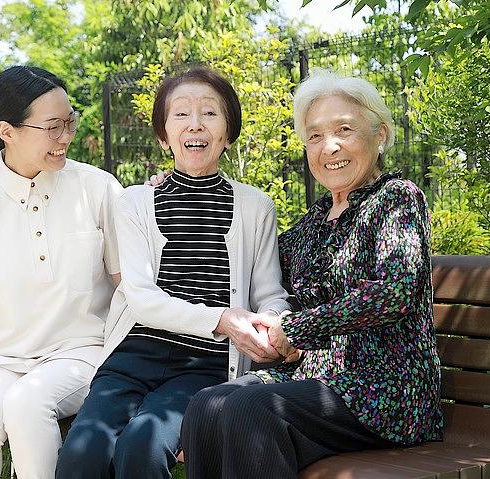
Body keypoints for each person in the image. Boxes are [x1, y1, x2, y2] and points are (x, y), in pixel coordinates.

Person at [180, 68, 444, 479]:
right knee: (207, 405)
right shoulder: (317, 220)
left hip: (385, 391)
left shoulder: (396, 198)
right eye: (316, 136)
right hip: (318, 380)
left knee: (250, 411)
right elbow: (247, 262)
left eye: (344, 129)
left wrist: (297, 329)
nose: (330, 146)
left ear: (380, 135)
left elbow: (397, 291)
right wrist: (176, 187)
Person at [55, 66, 290, 479]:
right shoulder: (134, 204)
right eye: (180, 114)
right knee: (81, 455)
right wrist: (222, 318)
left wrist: (273, 322)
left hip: (208, 364)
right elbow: (141, 297)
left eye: (210, 113)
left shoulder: (256, 206)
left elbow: (270, 293)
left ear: (228, 131)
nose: (195, 124)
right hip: (134, 355)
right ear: (164, 135)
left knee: (142, 449)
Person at [0, 65, 123, 479]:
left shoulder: (97, 189)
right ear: (7, 131)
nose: (66, 137)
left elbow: (126, 283)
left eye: (70, 122)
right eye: (52, 127)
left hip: (85, 350)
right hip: (5, 358)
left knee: (28, 404)